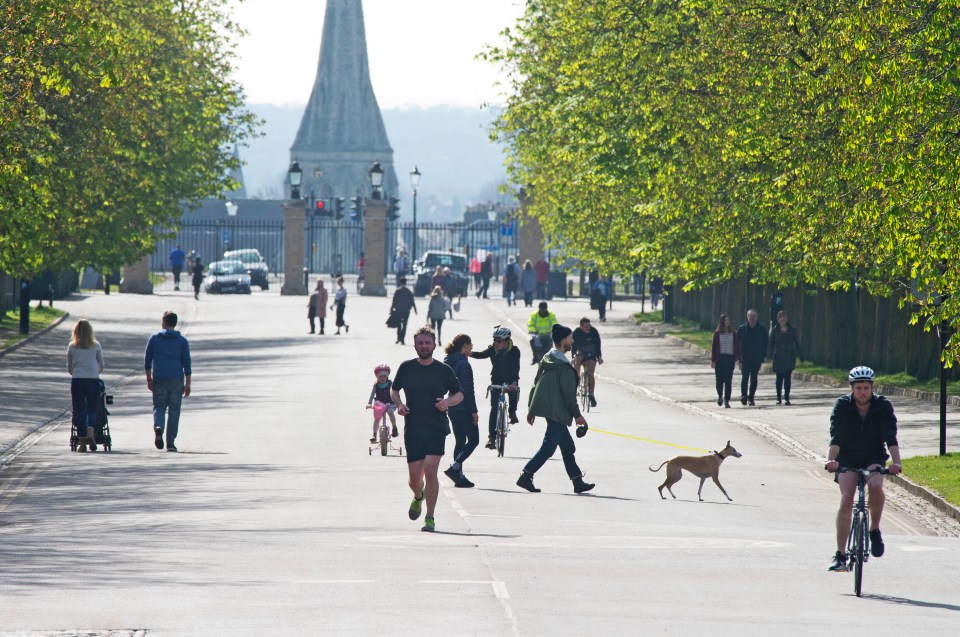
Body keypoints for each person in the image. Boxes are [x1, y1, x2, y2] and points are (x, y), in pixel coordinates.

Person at [824, 366, 902, 572]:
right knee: (847, 496)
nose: (862, 392)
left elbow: (890, 435)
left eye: (866, 388)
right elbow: (836, 434)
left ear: (872, 387)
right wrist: (831, 460)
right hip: (847, 455)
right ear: (852, 388)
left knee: (876, 486)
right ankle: (840, 555)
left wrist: (896, 463)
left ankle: (874, 529)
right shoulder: (842, 405)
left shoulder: (883, 405)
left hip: (873, 455)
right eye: (858, 388)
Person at [391, 326, 464, 533]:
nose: (424, 346)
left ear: (434, 345)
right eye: (420, 343)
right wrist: (399, 405)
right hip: (413, 428)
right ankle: (418, 496)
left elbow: (460, 394)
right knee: (415, 479)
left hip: (436, 427)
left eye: (427, 343)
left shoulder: (443, 370)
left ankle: (430, 517)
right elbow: (394, 390)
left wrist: (448, 402)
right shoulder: (406, 367)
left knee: (431, 471)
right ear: (415, 345)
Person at [517, 323, 595, 494]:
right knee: (548, 447)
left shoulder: (548, 358)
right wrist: (578, 416)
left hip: (551, 410)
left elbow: (536, 384)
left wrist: (532, 408)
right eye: (570, 338)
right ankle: (526, 475)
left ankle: (577, 481)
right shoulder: (563, 366)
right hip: (558, 412)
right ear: (562, 341)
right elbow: (569, 396)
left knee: (567, 447)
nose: (572, 341)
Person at [144, 311, 192, 452]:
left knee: (159, 407)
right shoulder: (182, 341)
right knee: (174, 411)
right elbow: (187, 364)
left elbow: (147, 361)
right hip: (176, 379)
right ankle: (170, 443)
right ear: (175, 323)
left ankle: (158, 426)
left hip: (159, 378)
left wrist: (149, 379)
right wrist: (188, 384)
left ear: (163, 322)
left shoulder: (154, 339)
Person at [470, 325, 521, 450]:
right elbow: (481, 355)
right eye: (494, 340)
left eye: (498, 341)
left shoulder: (514, 351)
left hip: (510, 379)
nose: (496, 343)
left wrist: (513, 382)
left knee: (514, 393)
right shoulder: (493, 349)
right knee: (494, 409)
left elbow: (516, 367)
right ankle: (492, 438)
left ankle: (512, 412)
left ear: (506, 341)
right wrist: (468, 353)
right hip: (496, 380)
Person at [442, 334, 480, 488]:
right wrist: (474, 411)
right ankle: (455, 467)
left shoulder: (449, 361)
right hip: (464, 408)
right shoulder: (464, 364)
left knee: (460, 441)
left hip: (452, 406)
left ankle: (458, 476)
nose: (472, 348)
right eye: (471, 344)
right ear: (465, 345)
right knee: (474, 440)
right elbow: (467, 390)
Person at [67, 319, 105, 452]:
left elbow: (70, 368)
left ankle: (82, 441)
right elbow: (101, 365)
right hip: (92, 380)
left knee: (80, 409)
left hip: (77, 380)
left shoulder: (72, 346)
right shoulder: (96, 346)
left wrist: (77, 372)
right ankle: (90, 429)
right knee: (92, 408)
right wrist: (94, 372)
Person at [768, 310, 802, 405]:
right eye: (781, 317)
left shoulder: (792, 330)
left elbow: (797, 343)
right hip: (778, 356)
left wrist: (801, 355)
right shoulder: (775, 330)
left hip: (789, 356)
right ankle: (778, 397)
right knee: (779, 378)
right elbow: (770, 343)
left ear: (787, 319)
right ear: (778, 319)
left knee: (787, 377)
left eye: (784, 317)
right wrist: (769, 355)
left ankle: (787, 397)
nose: (783, 319)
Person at [710, 313, 741, 408]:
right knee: (719, 380)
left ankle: (727, 399)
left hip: (730, 359)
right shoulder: (717, 333)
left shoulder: (734, 333)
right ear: (722, 322)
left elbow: (737, 347)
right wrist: (713, 360)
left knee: (728, 380)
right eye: (725, 320)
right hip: (720, 359)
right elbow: (714, 347)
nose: (727, 322)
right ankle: (720, 396)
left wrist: (740, 360)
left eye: (728, 320)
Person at [572, 317, 603, 408]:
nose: (588, 328)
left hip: (591, 352)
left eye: (589, 326)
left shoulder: (593, 332)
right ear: (581, 326)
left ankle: (591, 394)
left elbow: (598, 345)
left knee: (591, 372)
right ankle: (577, 378)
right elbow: (573, 346)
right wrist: (574, 356)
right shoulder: (576, 332)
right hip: (581, 351)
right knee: (577, 360)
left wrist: (599, 357)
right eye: (586, 326)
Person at [737, 309, 766, 405]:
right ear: (747, 317)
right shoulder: (742, 329)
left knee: (754, 378)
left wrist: (764, 355)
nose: (752, 318)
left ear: (757, 318)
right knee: (745, 377)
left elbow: (765, 343)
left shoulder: (762, 329)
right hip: (745, 358)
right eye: (750, 316)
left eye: (754, 316)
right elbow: (738, 344)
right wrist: (739, 357)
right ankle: (744, 396)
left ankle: (751, 397)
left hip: (756, 357)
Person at [367, 363, 398, 441]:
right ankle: (374, 435)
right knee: (377, 418)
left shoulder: (391, 384)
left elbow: (395, 393)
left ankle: (394, 428)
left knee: (391, 412)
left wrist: (398, 402)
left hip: (390, 403)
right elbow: (372, 394)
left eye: (385, 376)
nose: (383, 378)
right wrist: (369, 403)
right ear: (377, 377)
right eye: (381, 376)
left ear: (387, 376)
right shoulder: (376, 385)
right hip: (379, 404)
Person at [390, 276, 418, 345]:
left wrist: (391, 308)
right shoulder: (408, 291)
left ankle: (398, 338)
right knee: (405, 324)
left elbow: (394, 300)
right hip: (406, 310)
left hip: (398, 309)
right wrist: (415, 309)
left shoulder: (398, 291)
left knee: (399, 324)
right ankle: (402, 339)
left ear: (400, 282)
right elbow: (412, 301)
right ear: (406, 282)